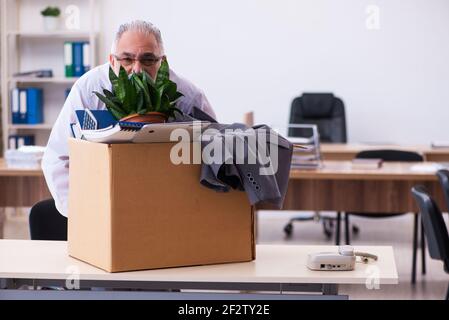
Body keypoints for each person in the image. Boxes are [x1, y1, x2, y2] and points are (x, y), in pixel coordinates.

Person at [40, 20, 216, 223]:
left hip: (167, 208)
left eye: (148, 60)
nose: (137, 69)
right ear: (112, 60)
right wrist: (82, 214)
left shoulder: (187, 95)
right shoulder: (88, 90)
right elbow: (57, 157)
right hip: (100, 206)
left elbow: (213, 152)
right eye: (127, 59)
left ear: (163, 62)